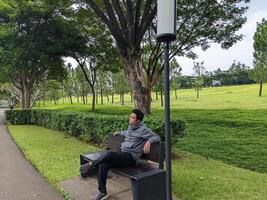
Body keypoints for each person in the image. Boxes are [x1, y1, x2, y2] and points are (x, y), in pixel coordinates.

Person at [80, 108, 161, 200]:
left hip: (130, 158)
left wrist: (149, 142)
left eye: (132, 117)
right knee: (103, 165)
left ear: (138, 120)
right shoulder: (131, 127)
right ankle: (102, 192)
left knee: (110, 153)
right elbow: (128, 133)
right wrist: (120, 132)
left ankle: (91, 164)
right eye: (130, 116)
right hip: (122, 155)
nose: (130, 118)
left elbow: (156, 136)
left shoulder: (143, 129)